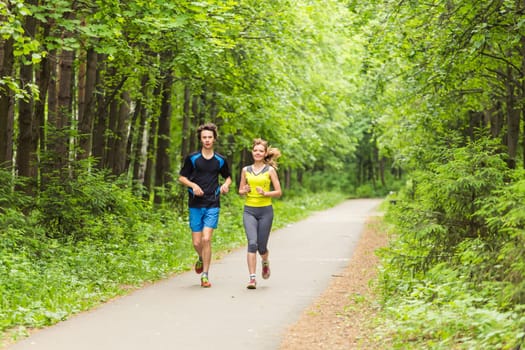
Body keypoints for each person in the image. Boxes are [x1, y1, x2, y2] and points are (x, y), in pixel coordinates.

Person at [179, 123, 232, 288]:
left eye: (210, 137)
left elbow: (228, 177)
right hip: (195, 204)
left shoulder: (220, 160)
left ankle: (205, 275)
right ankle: (201, 258)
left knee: (206, 238)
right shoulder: (193, 158)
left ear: (214, 139)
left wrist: (226, 185)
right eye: (204, 137)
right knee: (196, 243)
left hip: (212, 203)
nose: (207, 140)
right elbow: (182, 177)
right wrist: (193, 185)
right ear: (200, 139)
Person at [238, 138, 282, 289]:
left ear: (265, 154)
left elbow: (279, 192)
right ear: (252, 152)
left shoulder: (270, 170)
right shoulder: (245, 170)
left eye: (260, 151)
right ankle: (252, 278)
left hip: (265, 211)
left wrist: (266, 193)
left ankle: (265, 261)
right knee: (252, 243)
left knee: (261, 247)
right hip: (249, 210)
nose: (257, 153)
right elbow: (240, 190)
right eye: (255, 150)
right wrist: (244, 191)